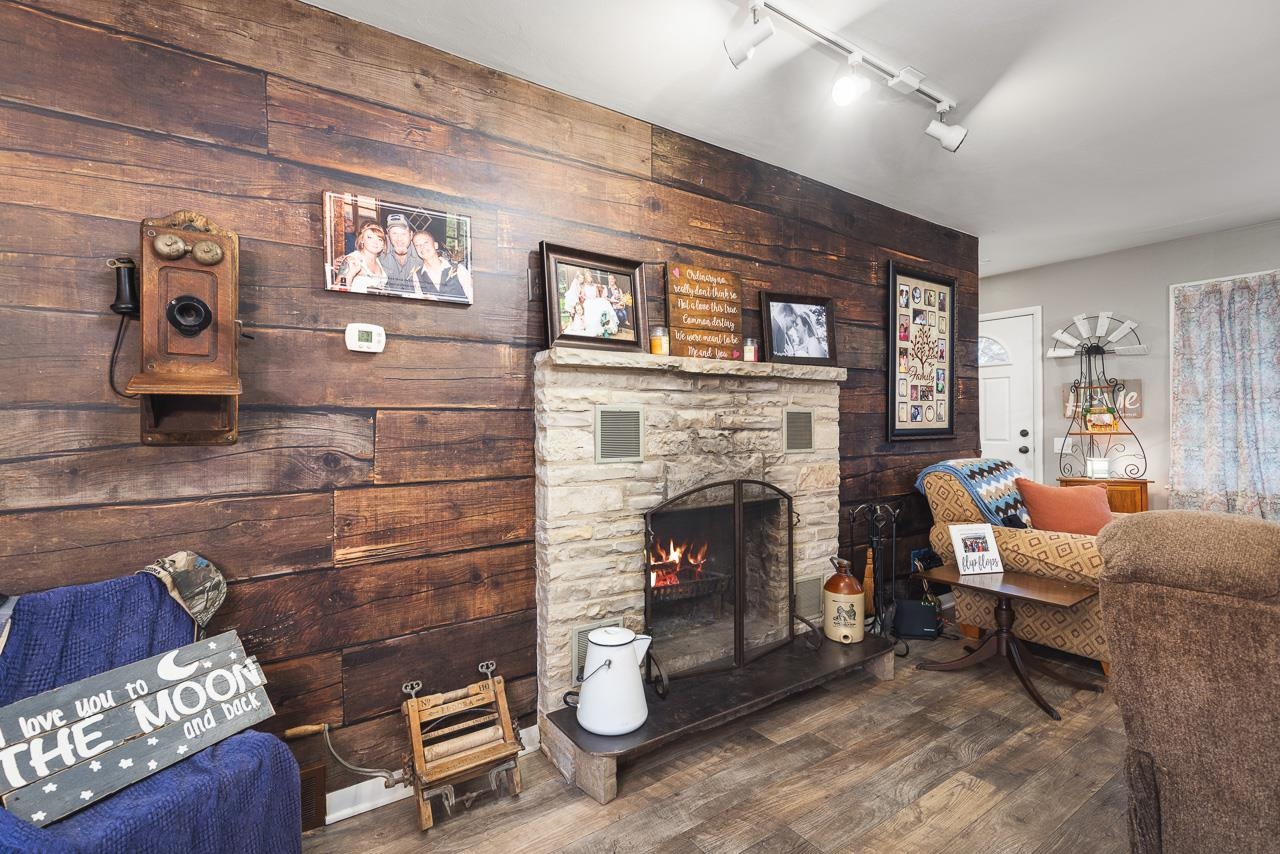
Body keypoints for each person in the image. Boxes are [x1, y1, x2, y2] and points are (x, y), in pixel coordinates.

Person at [412, 220, 473, 302]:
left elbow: (472, 300)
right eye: (417, 245)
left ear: (435, 245)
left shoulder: (458, 269)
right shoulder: (417, 275)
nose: (422, 247)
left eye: (425, 242)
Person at [335, 222, 388, 294]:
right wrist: (350, 274)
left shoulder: (380, 261)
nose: (375, 242)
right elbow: (337, 291)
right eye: (370, 237)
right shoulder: (352, 260)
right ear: (362, 240)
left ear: (383, 244)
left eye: (380, 239)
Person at [380, 213, 420, 295]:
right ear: (388, 234)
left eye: (403, 233)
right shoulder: (379, 251)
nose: (399, 239)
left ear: (411, 234)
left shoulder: (421, 253)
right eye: (394, 233)